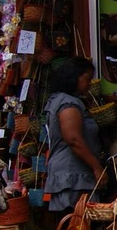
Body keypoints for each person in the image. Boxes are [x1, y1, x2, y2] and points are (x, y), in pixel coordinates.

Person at [43, 56, 108, 215]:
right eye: (86, 78)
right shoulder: (68, 103)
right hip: (72, 176)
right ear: (74, 77)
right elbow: (73, 140)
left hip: (70, 174)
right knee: (76, 227)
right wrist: (97, 168)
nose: (89, 84)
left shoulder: (59, 100)